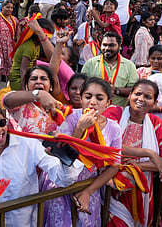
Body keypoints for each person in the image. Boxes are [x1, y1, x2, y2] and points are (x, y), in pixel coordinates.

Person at [0, 101, 83, 227]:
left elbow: (63, 179)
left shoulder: (28, 144)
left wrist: (63, 158)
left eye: (1, 123)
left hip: (24, 223)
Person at [44, 77, 121, 226]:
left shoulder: (113, 128)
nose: (93, 102)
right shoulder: (71, 117)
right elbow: (62, 156)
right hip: (61, 184)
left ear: (108, 103)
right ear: (81, 98)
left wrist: (88, 192)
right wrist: (79, 128)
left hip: (88, 186)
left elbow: (114, 166)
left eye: (99, 98)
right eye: (88, 96)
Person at [108, 80, 162, 227]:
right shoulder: (114, 113)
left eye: (147, 96)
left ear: (154, 102)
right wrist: (147, 153)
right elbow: (103, 145)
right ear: (130, 95)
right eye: (137, 94)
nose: (141, 99)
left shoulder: (157, 124)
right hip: (107, 186)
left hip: (141, 191)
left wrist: (137, 166)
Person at [82, 32, 139, 106]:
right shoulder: (90, 63)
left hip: (118, 112)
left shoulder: (129, 65)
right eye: (104, 45)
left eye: (111, 45)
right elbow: (82, 86)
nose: (107, 48)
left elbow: (134, 89)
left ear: (119, 47)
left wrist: (116, 90)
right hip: (94, 110)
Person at [4, 65, 61, 135]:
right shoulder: (20, 103)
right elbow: (7, 100)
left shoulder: (57, 107)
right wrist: (38, 94)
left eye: (43, 79)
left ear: (51, 86)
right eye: (33, 79)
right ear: (26, 86)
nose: (38, 82)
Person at [8, 18, 54, 91]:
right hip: (18, 79)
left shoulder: (37, 46)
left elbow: (34, 65)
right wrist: (24, 87)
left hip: (27, 77)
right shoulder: (29, 47)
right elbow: (23, 70)